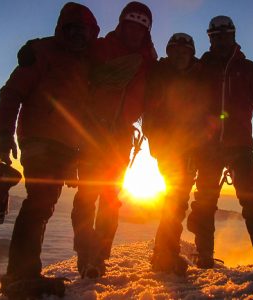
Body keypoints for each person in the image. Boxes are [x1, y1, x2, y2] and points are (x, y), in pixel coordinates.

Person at [0, 2, 99, 297]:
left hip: (67, 146)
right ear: (61, 29)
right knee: (40, 201)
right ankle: (20, 275)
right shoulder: (41, 53)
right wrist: (4, 134)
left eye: (84, 30)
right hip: (39, 141)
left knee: (44, 203)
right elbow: (12, 92)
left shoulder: (87, 62)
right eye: (72, 28)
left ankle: (22, 272)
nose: (78, 34)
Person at [187, 15, 253, 268]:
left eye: (224, 36)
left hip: (239, 146)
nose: (219, 41)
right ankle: (204, 254)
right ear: (210, 38)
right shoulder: (200, 68)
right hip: (207, 147)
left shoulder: (248, 69)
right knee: (205, 202)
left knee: (251, 202)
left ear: (233, 36)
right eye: (215, 37)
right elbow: (186, 106)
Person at [71, 1, 157, 279]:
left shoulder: (149, 61)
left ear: (146, 32)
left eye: (141, 28)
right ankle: (86, 254)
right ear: (121, 24)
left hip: (120, 136)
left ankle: (98, 257)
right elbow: (69, 55)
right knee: (86, 196)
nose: (135, 32)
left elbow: (164, 87)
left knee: (109, 198)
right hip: (93, 131)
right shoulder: (100, 48)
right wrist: (35, 49)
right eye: (131, 26)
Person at [143, 33, 210, 275]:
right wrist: (158, 142)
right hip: (169, 149)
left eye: (185, 51)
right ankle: (164, 254)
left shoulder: (200, 74)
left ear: (191, 53)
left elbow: (206, 112)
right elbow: (149, 112)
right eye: (175, 50)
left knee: (177, 199)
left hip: (190, 148)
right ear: (169, 52)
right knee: (176, 198)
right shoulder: (159, 74)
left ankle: (164, 252)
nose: (180, 55)